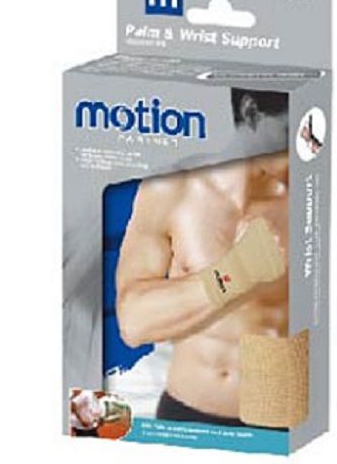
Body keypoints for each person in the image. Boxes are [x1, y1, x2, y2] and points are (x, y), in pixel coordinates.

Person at [115, 90, 289, 428]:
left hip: (279, 418)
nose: (300, 155)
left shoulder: (311, 197)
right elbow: (133, 324)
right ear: (251, 112)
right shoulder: (173, 188)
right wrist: (237, 272)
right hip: (188, 412)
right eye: (287, 133)